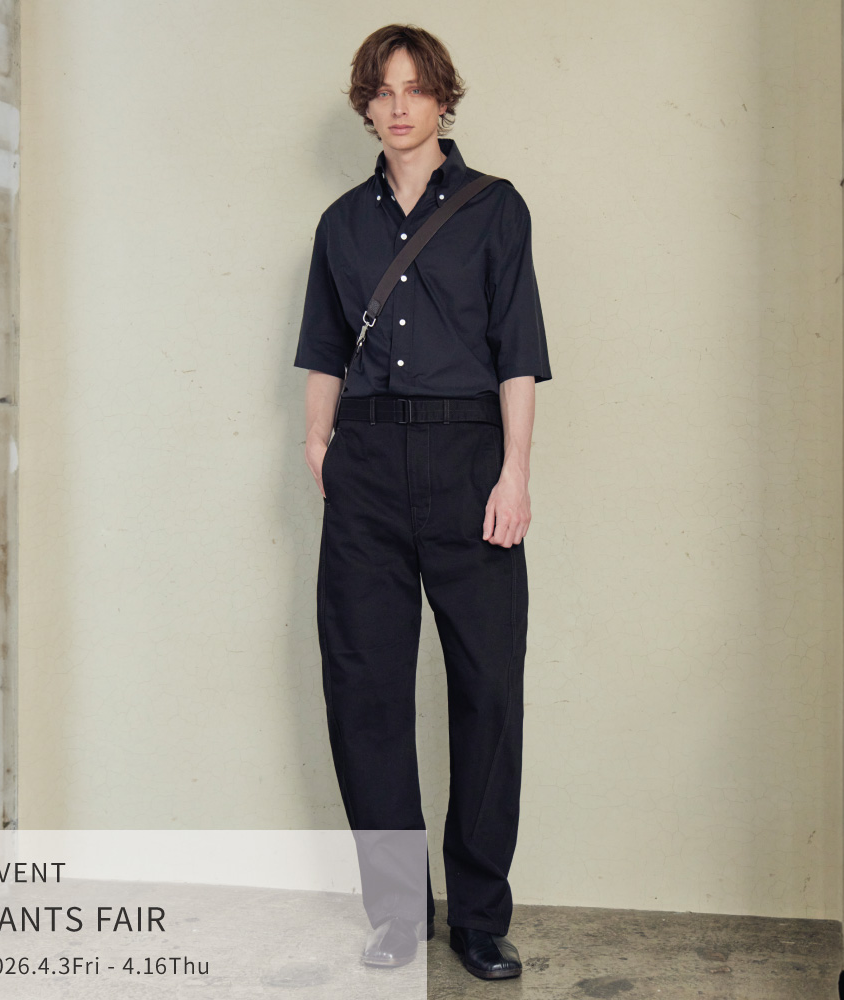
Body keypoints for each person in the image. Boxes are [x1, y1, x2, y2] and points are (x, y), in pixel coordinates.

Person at [294, 23, 551, 981]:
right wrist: (317, 442)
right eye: (383, 90)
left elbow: (519, 350)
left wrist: (515, 471)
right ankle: (397, 914)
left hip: (468, 458)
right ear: (365, 104)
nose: (399, 106)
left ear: (444, 98)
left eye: (416, 89)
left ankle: (479, 918)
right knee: (364, 687)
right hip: (365, 462)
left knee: (488, 686)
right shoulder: (340, 224)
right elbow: (325, 348)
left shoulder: (496, 209)